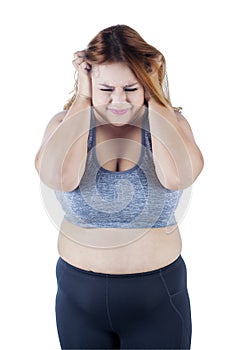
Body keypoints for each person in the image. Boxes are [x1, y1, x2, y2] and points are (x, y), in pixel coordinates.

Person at [35, 24, 204, 350]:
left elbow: (177, 177)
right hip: (78, 299)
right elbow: (59, 179)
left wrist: (154, 95)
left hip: (157, 297)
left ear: (145, 84)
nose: (118, 101)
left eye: (131, 88)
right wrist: (83, 100)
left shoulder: (173, 124)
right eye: (105, 88)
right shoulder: (63, 125)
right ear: (88, 83)